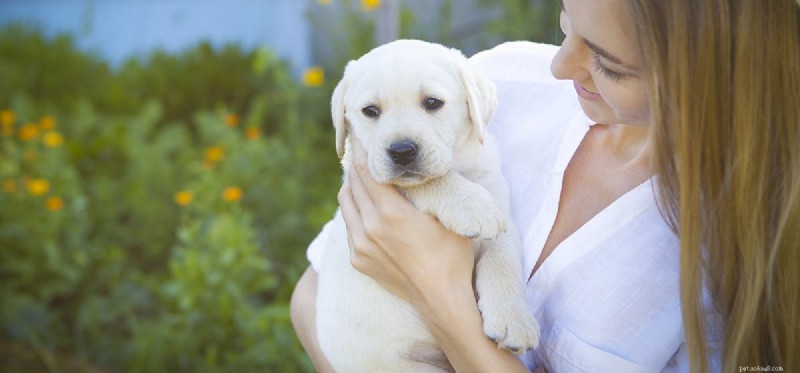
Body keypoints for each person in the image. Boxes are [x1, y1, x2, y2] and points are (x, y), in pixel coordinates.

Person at [291, 0, 800, 371]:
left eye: (610, 65)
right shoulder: (498, 81)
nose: (559, 66)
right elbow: (310, 292)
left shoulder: (743, 242)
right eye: (564, 25)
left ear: (716, 73)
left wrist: (439, 298)